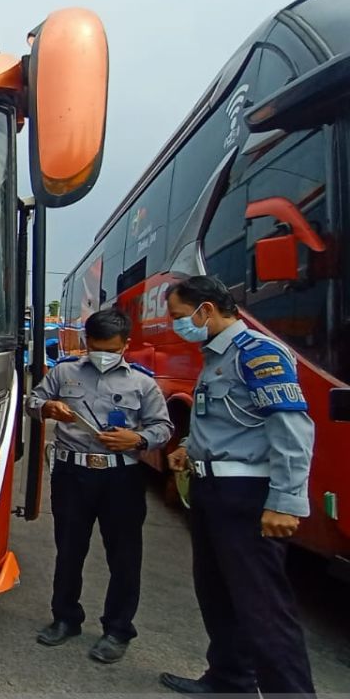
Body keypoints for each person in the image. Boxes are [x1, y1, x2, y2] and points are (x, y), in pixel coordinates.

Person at [159, 275, 315, 697]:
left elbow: (291, 430)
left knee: (263, 608)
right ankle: (229, 679)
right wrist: (188, 448)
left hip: (245, 498)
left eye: (178, 316)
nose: (176, 325)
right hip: (211, 494)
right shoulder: (215, 356)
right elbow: (224, 420)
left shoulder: (258, 354)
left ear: (205, 310)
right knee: (217, 594)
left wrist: (286, 502)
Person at [25, 307, 172, 664]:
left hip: (121, 478)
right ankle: (65, 618)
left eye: (111, 347)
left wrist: (136, 439)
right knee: (69, 549)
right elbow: (32, 401)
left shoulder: (142, 383)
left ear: (126, 344)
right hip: (72, 475)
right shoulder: (64, 372)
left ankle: (118, 629)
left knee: (123, 556)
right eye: (96, 346)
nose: (103, 354)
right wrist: (48, 408)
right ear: (86, 342)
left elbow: (163, 428)